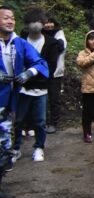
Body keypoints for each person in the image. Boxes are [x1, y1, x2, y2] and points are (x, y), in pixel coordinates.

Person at [0, 6, 47, 169]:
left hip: (11, 97)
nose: (10, 21)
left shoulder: (19, 43)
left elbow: (40, 62)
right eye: (6, 17)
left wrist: (29, 72)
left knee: (9, 132)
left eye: (12, 18)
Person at [14, 10, 63, 161]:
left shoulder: (51, 43)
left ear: (43, 24)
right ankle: (15, 148)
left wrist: (31, 74)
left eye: (38, 22)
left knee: (40, 121)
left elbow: (51, 66)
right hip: (22, 87)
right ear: (26, 24)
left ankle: (39, 147)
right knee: (19, 120)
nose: (35, 25)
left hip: (41, 88)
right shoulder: (20, 41)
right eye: (31, 22)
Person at [44, 13, 66, 131]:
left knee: (54, 98)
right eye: (46, 22)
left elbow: (62, 47)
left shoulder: (59, 34)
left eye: (50, 22)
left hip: (55, 72)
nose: (48, 25)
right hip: (41, 72)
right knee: (43, 98)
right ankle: (43, 121)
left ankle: (53, 122)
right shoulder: (39, 35)